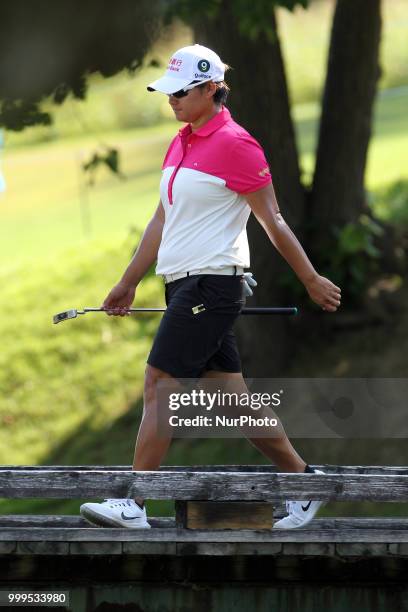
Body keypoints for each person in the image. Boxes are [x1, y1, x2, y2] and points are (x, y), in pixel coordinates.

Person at [80, 44, 341, 531]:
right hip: (181, 286)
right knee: (234, 401)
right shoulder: (180, 142)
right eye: (168, 92)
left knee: (159, 383)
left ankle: (136, 501)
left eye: (181, 92)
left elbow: (273, 221)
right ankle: (307, 484)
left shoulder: (238, 144)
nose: (172, 100)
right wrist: (127, 282)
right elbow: (162, 218)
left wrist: (310, 278)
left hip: (213, 286)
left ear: (209, 89)